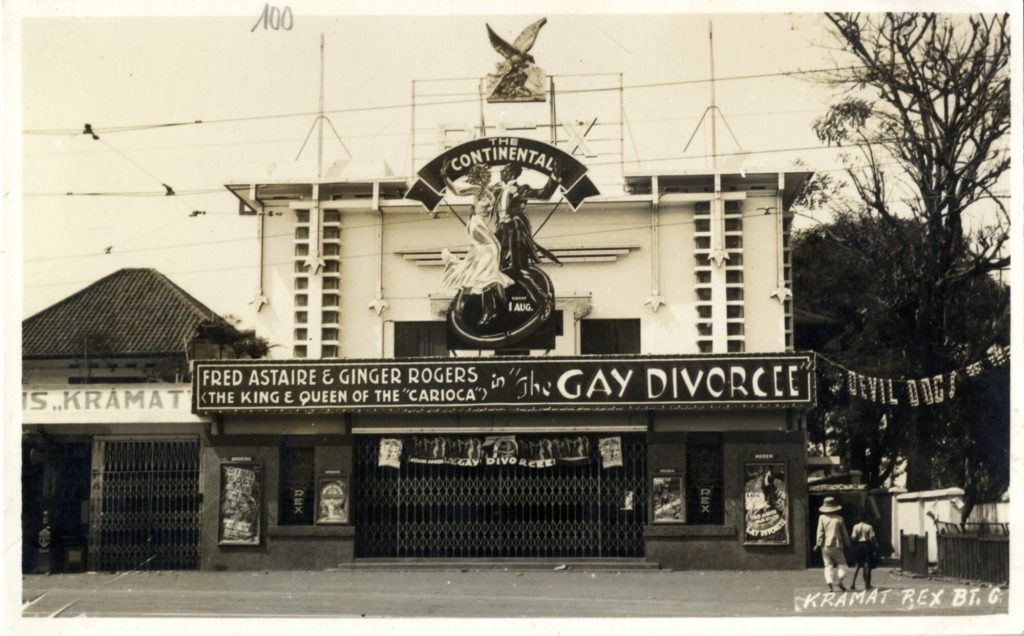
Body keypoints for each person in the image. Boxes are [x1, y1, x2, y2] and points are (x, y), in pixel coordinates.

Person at [440, 162, 514, 325]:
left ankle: (489, 309)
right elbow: (457, 191)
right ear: (475, 177)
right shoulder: (476, 190)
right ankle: (490, 308)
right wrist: (445, 177)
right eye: (480, 176)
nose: (483, 179)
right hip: (477, 226)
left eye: (485, 175)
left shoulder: (487, 191)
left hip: (481, 227)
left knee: (487, 261)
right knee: (492, 252)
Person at [490, 163, 562, 273]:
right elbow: (484, 202)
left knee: (518, 261)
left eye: (504, 170)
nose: (501, 172)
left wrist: (555, 176)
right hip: (501, 229)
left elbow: (544, 194)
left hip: (516, 228)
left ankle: (524, 279)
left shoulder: (522, 189)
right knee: (492, 255)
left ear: (512, 174)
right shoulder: (496, 189)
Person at [814, 496, 852, 592]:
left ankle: (830, 585)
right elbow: (844, 533)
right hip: (836, 544)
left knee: (828, 565)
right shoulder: (839, 518)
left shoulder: (821, 517)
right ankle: (839, 580)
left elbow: (820, 532)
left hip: (824, 545)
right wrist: (848, 543)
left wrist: (818, 544)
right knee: (842, 564)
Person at [850, 510, 879, 590]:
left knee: (857, 565)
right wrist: (875, 546)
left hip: (859, 545)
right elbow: (871, 538)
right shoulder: (869, 527)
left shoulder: (855, 526)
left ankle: (852, 583)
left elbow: (853, 537)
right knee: (867, 565)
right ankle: (867, 584)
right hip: (866, 545)